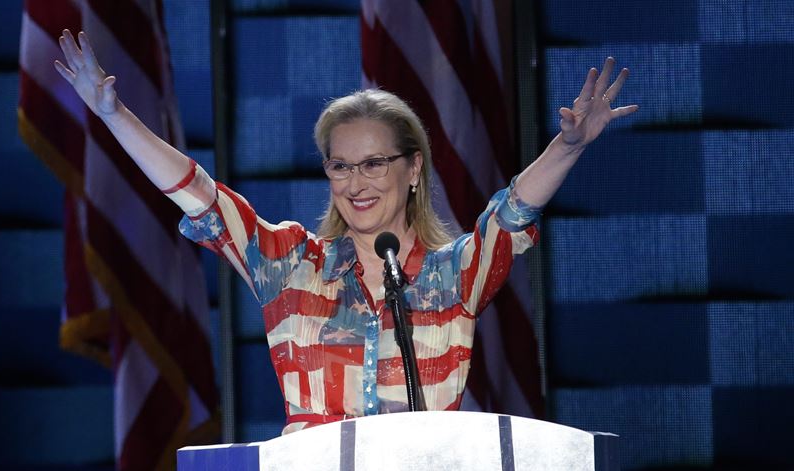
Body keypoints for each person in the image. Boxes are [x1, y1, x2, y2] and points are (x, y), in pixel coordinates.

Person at [55, 30, 637, 435]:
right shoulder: (288, 264)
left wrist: (568, 146)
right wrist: (114, 116)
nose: (356, 182)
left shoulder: (454, 274)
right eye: (340, 165)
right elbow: (203, 198)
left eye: (374, 164)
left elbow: (510, 213)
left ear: (413, 170)